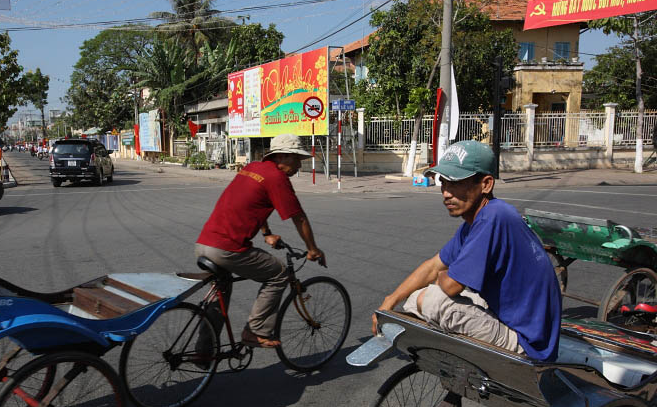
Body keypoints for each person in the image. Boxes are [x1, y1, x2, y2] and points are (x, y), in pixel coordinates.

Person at [372, 140, 561, 361]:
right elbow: (433, 266)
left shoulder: (495, 217)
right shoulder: (476, 221)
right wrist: (389, 301)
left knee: (432, 299)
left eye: (456, 184)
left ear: (486, 184)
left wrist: (443, 277)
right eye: (444, 183)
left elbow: (451, 285)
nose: (446, 193)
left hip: (528, 340)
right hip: (509, 317)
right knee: (414, 297)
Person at [196, 133, 326, 348]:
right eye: (296, 159)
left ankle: (204, 351)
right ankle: (255, 331)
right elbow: (299, 217)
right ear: (282, 157)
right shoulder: (277, 178)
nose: (298, 166)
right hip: (227, 248)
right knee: (279, 274)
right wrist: (312, 249)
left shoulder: (252, 168)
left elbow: (255, 205)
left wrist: (266, 233)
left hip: (204, 243)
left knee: (221, 290)